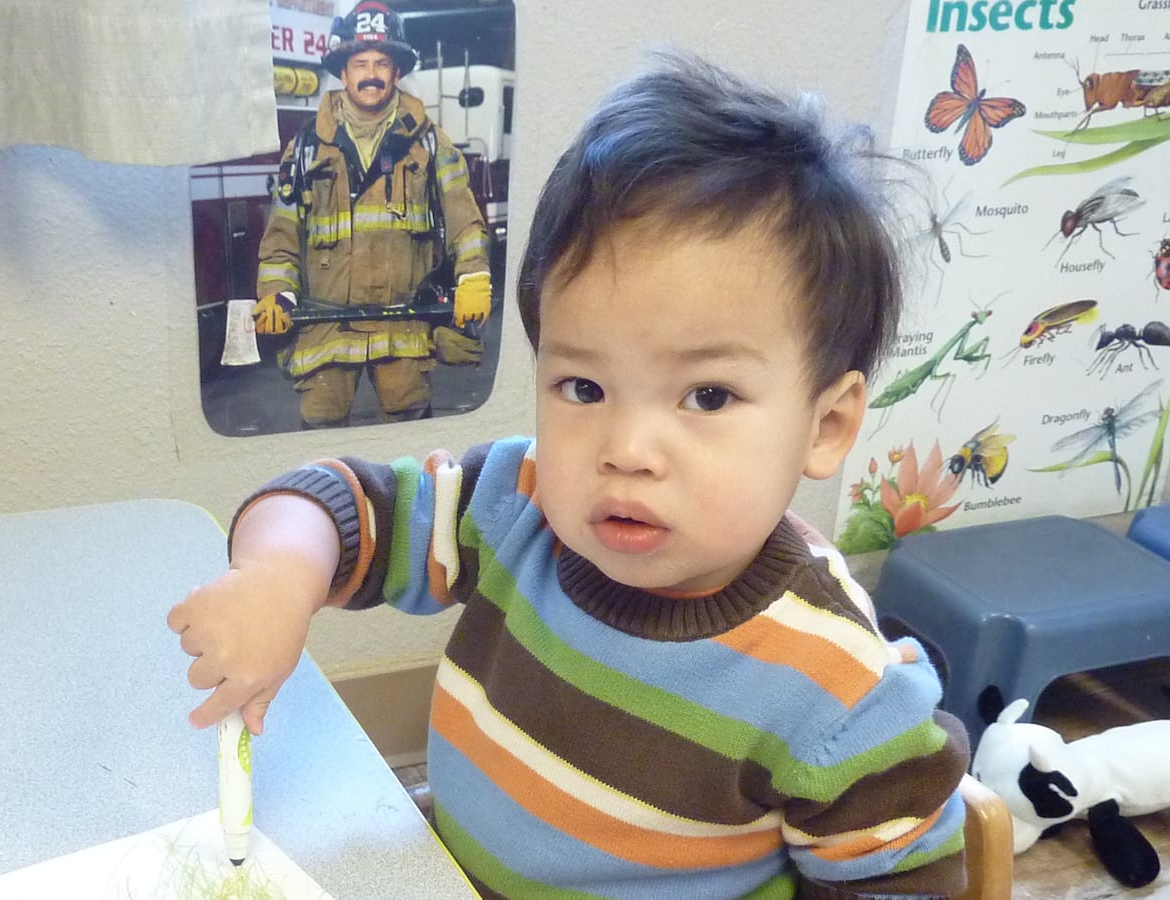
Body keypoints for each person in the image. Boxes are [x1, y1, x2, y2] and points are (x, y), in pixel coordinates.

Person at [171, 50, 969, 899]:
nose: (625, 447)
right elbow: (339, 506)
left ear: (827, 423)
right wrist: (275, 579)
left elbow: (907, 882)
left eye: (707, 395)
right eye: (582, 387)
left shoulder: (841, 691)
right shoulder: (518, 503)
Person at [251, 0, 491, 426]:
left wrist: (472, 276)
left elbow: (463, 217)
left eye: (382, 62)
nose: (371, 74)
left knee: (409, 424)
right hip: (326, 323)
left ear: (397, 73)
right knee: (320, 425)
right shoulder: (306, 146)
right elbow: (282, 233)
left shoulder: (429, 142)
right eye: (360, 63)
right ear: (343, 72)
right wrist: (276, 293)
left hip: (404, 321)